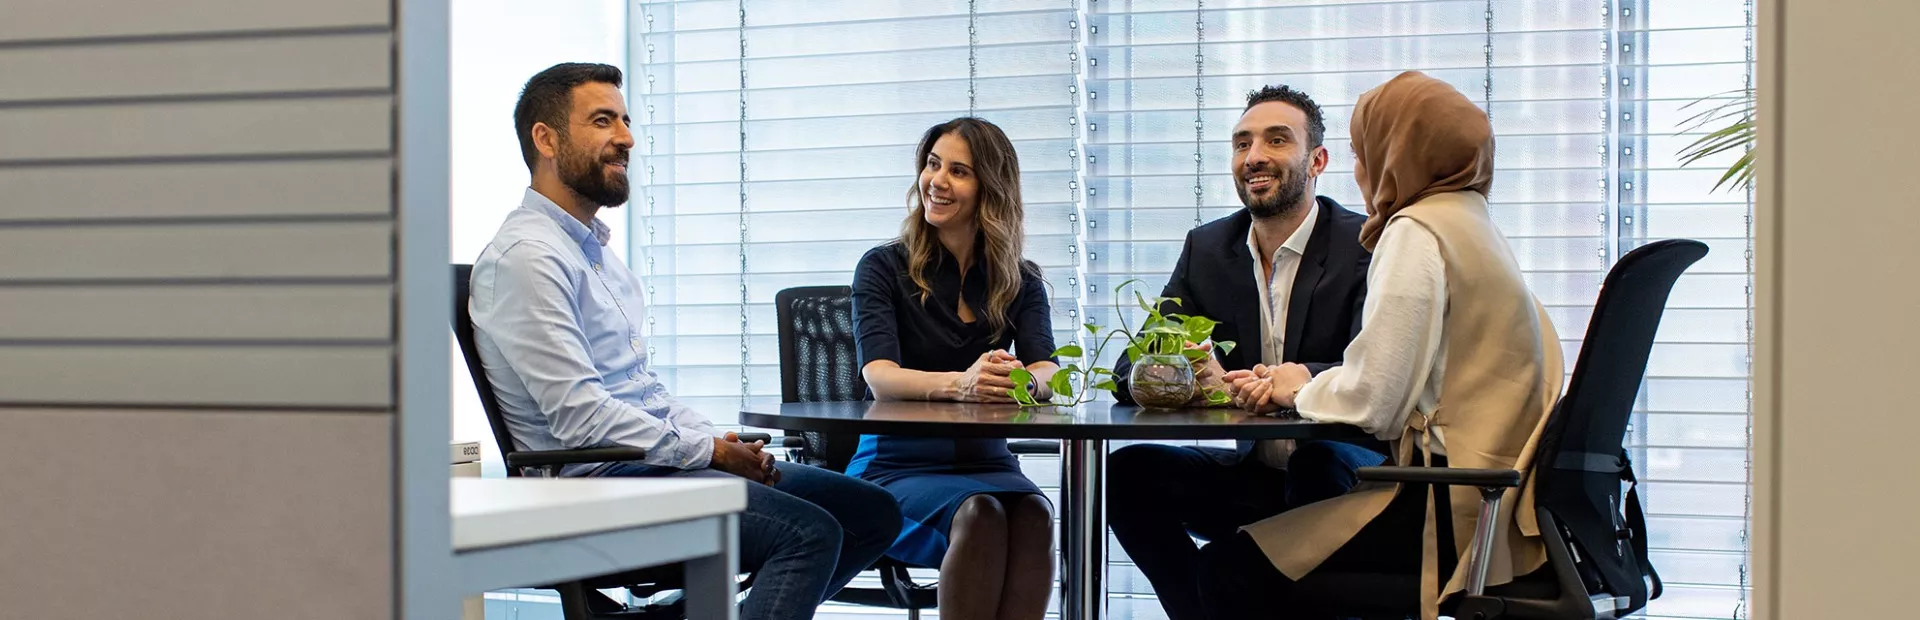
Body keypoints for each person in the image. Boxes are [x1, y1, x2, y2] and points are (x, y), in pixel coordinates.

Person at [468, 62, 900, 620]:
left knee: (871, 513)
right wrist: (711, 452)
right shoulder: (528, 258)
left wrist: (710, 441)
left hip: (645, 468)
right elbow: (581, 418)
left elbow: (640, 391)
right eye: (603, 121)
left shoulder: (591, 252)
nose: (625, 138)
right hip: (591, 490)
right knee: (808, 533)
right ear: (545, 139)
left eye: (624, 121)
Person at [1201, 70, 1568, 620]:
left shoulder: (1415, 231)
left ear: (1400, 152)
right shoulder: (1472, 223)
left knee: (1227, 570)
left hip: (1447, 509)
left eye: (1363, 153)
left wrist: (1297, 387)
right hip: (1504, 508)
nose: (1360, 170)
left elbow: (1376, 398)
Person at [1103, 85, 1387, 620]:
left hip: (1348, 473)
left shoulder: (1365, 244)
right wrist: (1189, 376)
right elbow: (1129, 367)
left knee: (1318, 461)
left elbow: (1380, 368)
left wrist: (1296, 381)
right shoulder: (1209, 248)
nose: (1254, 156)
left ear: (1318, 160)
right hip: (1255, 472)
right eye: (1242, 143)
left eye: (1277, 140)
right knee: (1128, 474)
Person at [848, 117, 1056, 620]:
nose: (937, 181)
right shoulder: (882, 268)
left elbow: (1048, 369)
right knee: (980, 513)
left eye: (959, 171)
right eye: (933, 164)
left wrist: (1022, 380)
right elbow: (879, 375)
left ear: (991, 189)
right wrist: (962, 384)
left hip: (988, 463)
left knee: (1035, 514)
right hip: (896, 466)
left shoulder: (1020, 280)